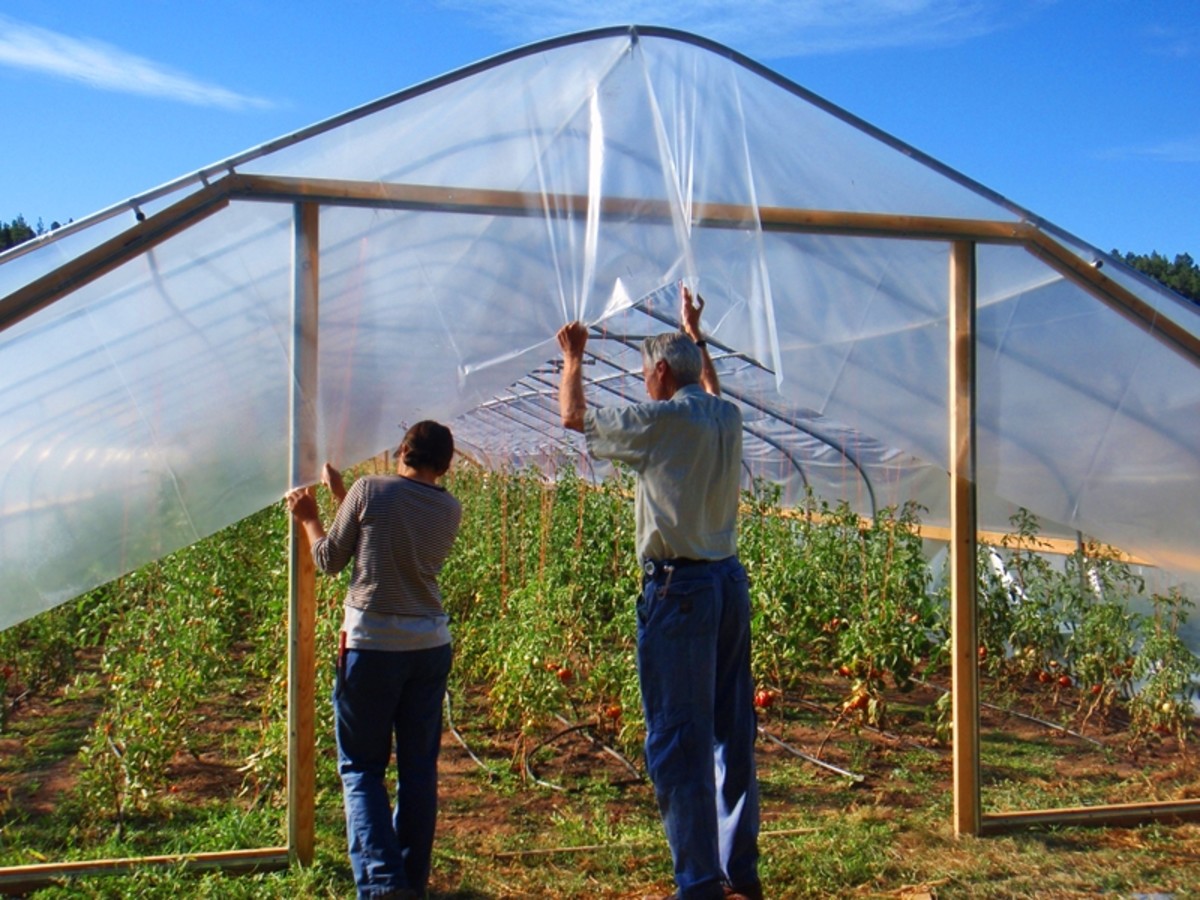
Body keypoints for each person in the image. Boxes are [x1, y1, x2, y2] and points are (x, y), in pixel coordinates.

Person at [556, 285, 762, 900]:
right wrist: (693, 331)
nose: (644, 383)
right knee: (731, 729)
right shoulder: (726, 416)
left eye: (647, 373)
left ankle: (699, 884)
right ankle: (738, 873)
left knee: (679, 734)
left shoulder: (664, 419)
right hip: (727, 581)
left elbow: (573, 417)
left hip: (681, 591)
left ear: (663, 372)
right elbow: (714, 387)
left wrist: (573, 358)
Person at [286, 421, 462, 900]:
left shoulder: (370, 490)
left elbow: (328, 559)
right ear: (445, 465)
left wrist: (308, 516)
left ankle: (384, 887)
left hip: (373, 645)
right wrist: (344, 495)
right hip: (428, 646)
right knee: (418, 769)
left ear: (402, 450)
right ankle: (410, 881)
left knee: (362, 768)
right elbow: (389, 533)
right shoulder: (449, 508)